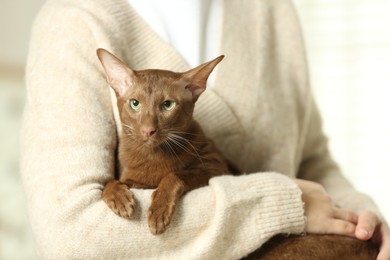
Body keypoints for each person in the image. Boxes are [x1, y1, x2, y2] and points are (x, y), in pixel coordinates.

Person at [21, 0, 390, 259]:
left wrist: (363, 216)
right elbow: (70, 236)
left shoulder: (274, 11)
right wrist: (279, 203)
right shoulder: (74, 22)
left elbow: (312, 160)